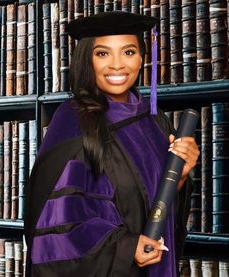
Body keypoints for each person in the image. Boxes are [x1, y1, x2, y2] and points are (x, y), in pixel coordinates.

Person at [24, 11, 200, 277]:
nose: (117, 65)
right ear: (87, 61)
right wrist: (127, 248)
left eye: (128, 52)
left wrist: (181, 175)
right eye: (103, 54)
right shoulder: (72, 121)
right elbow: (58, 226)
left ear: (142, 58)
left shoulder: (155, 120)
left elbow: (157, 202)